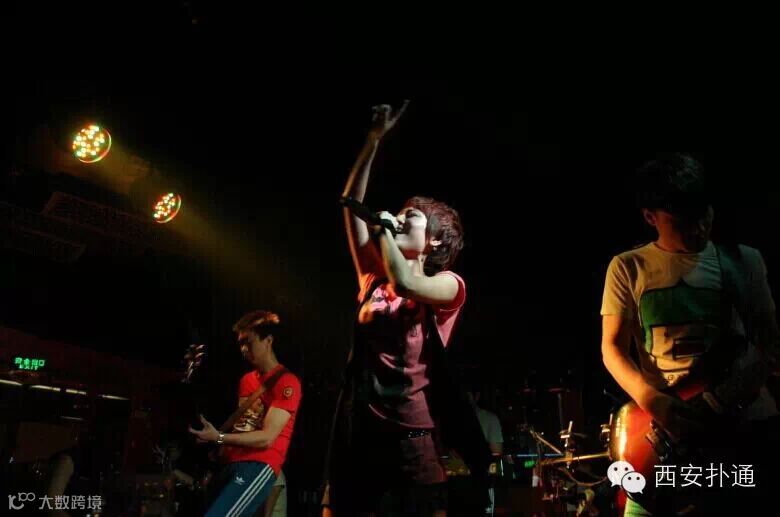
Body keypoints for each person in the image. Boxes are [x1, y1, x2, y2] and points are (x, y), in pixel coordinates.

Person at [600, 153, 779, 515]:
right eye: (681, 221)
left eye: (703, 215)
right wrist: (653, 401)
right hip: (663, 436)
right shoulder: (627, 267)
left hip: (741, 428)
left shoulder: (744, 261)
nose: (698, 229)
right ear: (650, 217)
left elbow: (770, 345)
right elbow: (612, 348)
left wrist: (718, 401)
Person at [322, 102, 476, 517]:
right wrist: (373, 140)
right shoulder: (372, 279)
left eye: (413, 217)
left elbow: (408, 283)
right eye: (401, 213)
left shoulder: (448, 286)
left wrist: (382, 230)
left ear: (435, 242)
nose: (400, 217)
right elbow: (350, 204)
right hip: (358, 435)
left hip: (411, 444)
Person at [190, 310, 302, 517]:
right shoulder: (247, 380)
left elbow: (266, 438)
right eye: (240, 343)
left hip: (259, 464)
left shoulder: (288, 382)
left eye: (248, 342)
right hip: (231, 463)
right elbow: (244, 426)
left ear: (268, 341)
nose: (243, 349)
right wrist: (218, 449)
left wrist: (219, 437)